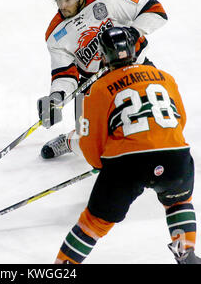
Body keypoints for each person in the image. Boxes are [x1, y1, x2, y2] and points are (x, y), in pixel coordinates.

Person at [54, 27, 200, 264]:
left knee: (94, 223)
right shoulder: (165, 77)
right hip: (175, 156)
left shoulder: (98, 89)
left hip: (127, 165)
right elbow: (179, 119)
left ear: (103, 55)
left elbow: (91, 143)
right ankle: (187, 255)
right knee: (178, 200)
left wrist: (103, 167)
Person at [37, 0, 168, 159]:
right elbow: (64, 74)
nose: (63, 6)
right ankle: (70, 140)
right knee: (88, 144)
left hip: (134, 68)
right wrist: (56, 97)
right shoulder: (55, 35)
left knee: (153, 122)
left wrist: (133, 32)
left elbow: (156, 10)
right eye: (58, 0)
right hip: (92, 84)